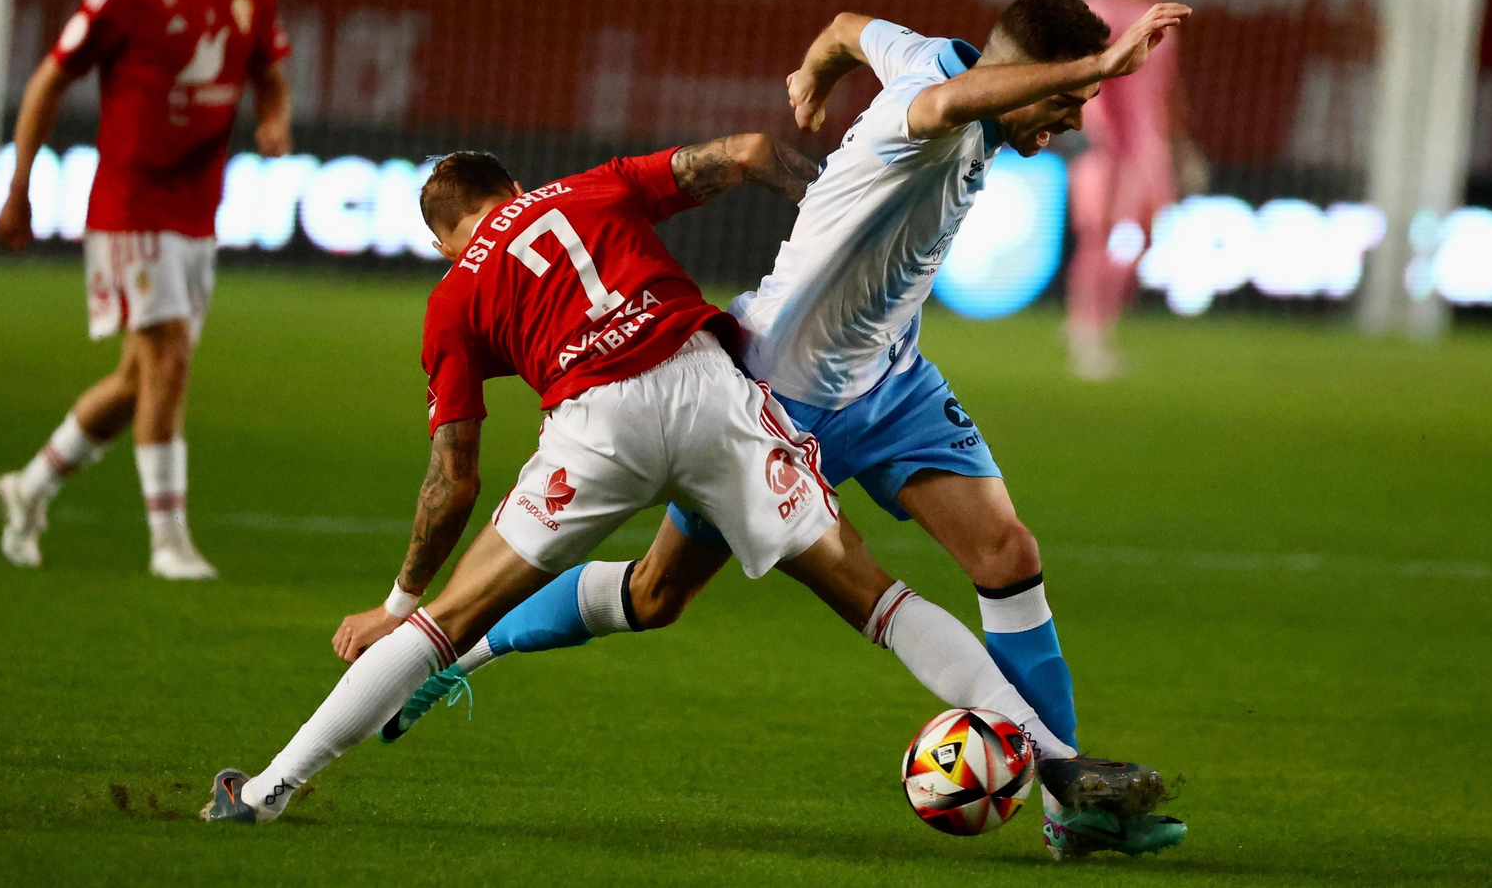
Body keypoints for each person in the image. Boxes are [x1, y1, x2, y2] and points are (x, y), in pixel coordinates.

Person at [383, 0, 1191, 859]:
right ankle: (464, 655)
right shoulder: (928, 115)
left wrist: (815, 69)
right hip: (773, 391)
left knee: (1009, 554)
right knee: (659, 597)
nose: (1073, 120)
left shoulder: (925, 53)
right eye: (1067, 101)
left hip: (888, 382)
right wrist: (1102, 66)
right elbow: (950, 103)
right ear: (1019, 78)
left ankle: (1070, 799)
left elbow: (848, 27)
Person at [200, 136, 1159, 828]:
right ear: (519, 188)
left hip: (597, 430)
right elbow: (740, 154)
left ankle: (264, 793)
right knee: (876, 597)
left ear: (449, 241)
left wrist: (399, 600)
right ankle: (1062, 766)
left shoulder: (455, 294)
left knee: (444, 622)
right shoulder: (587, 189)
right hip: (712, 396)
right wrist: (825, 202)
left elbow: (452, 479)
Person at [0, 0, 291, 578]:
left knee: (137, 381)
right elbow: (47, 81)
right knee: (170, 362)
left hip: (197, 211)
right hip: (130, 208)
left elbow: (268, 70)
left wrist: (274, 119)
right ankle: (169, 541)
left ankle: (29, 488)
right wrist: (20, 184)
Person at [1066, 0, 1205, 379]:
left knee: (1140, 237)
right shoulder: (1101, 9)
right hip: (1106, 145)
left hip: (1149, 150)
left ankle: (1096, 320)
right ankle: (1088, 331)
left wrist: (1181, 147)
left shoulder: (1162, 16)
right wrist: (1095, 129)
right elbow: (1084, 73)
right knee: (1100, 234)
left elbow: (1167, 89)